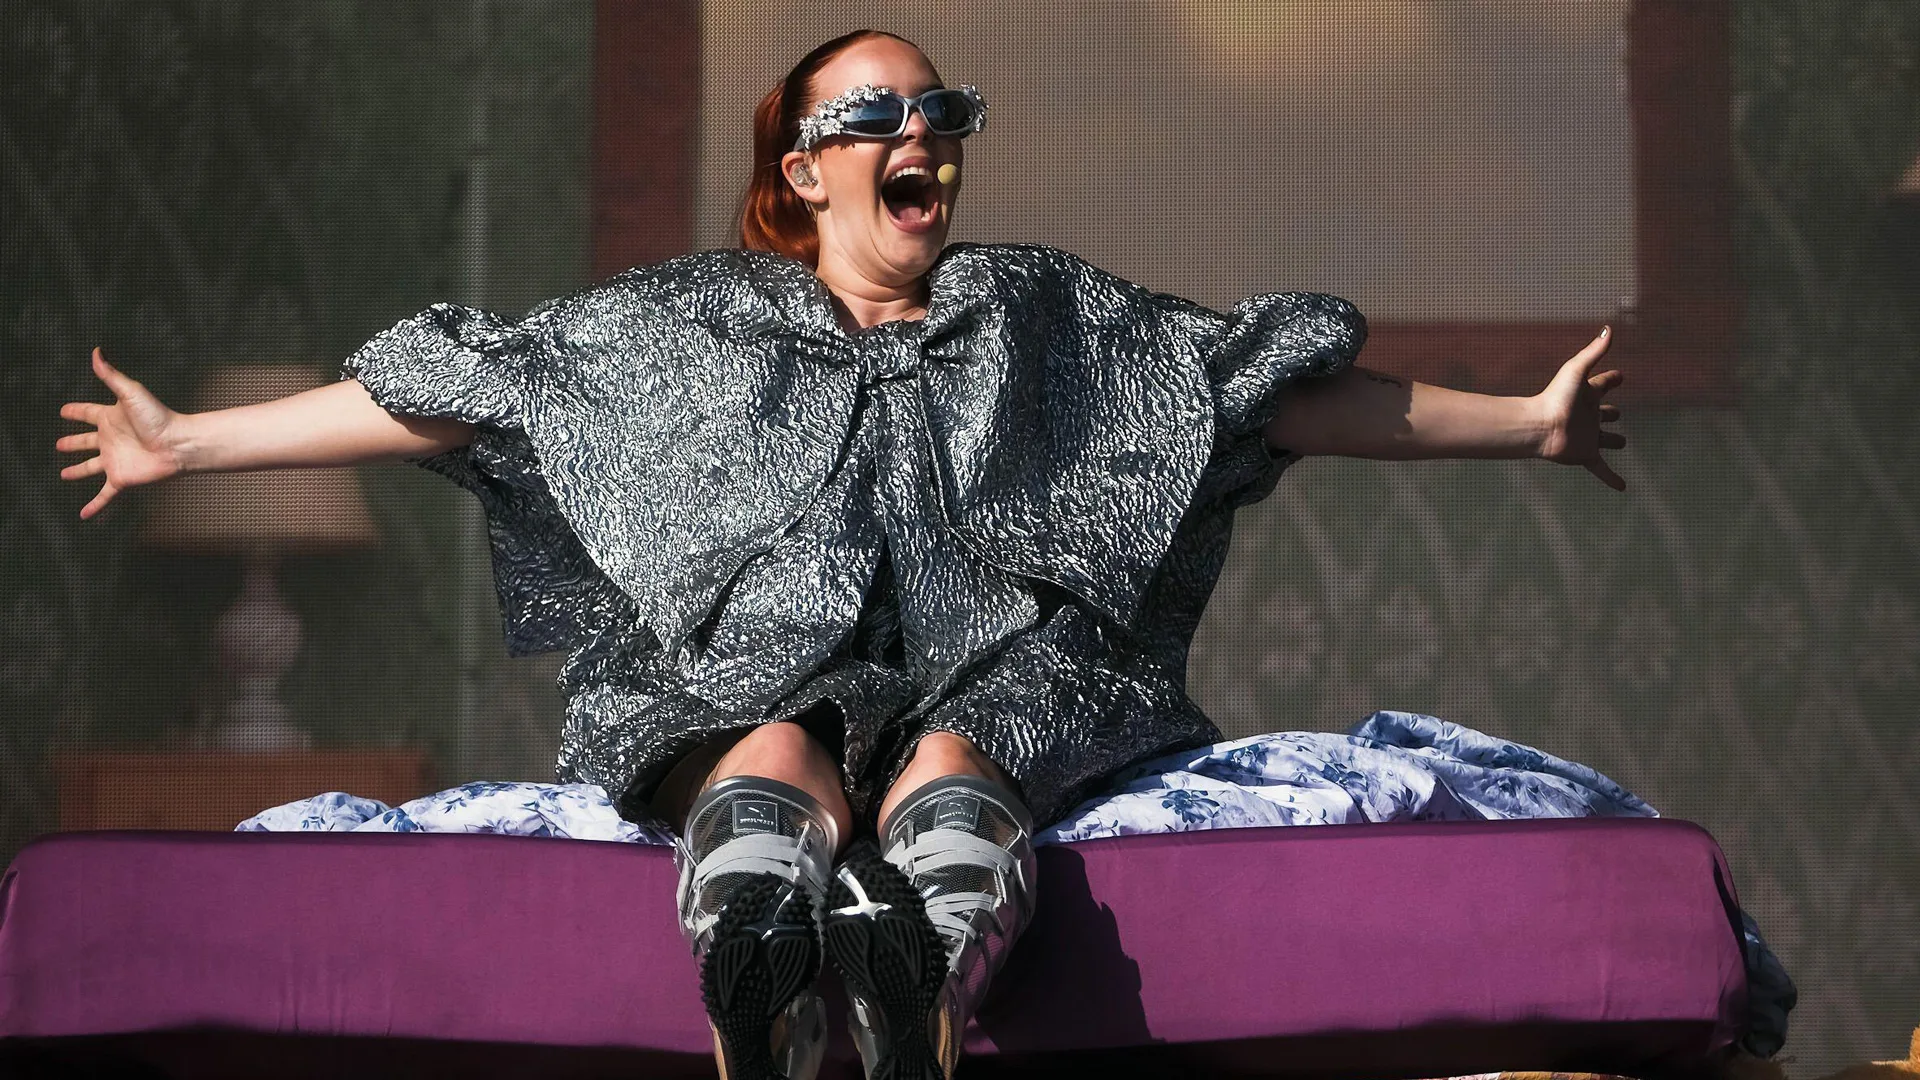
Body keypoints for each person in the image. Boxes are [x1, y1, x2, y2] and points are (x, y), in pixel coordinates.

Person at [57, 29, 1627, 1080]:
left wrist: (1532, 425)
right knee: (763, 753)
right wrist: (185, 441)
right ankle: (759, 941)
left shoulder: (1043, 308)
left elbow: (1265, 396)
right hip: (760, 653)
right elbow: (461, 394)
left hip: (1009, 655)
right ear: (803, 173)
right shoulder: (686, 318)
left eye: (937, 111)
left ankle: (926, 954)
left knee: (960, 755)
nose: (915, 132)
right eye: (869, 115)